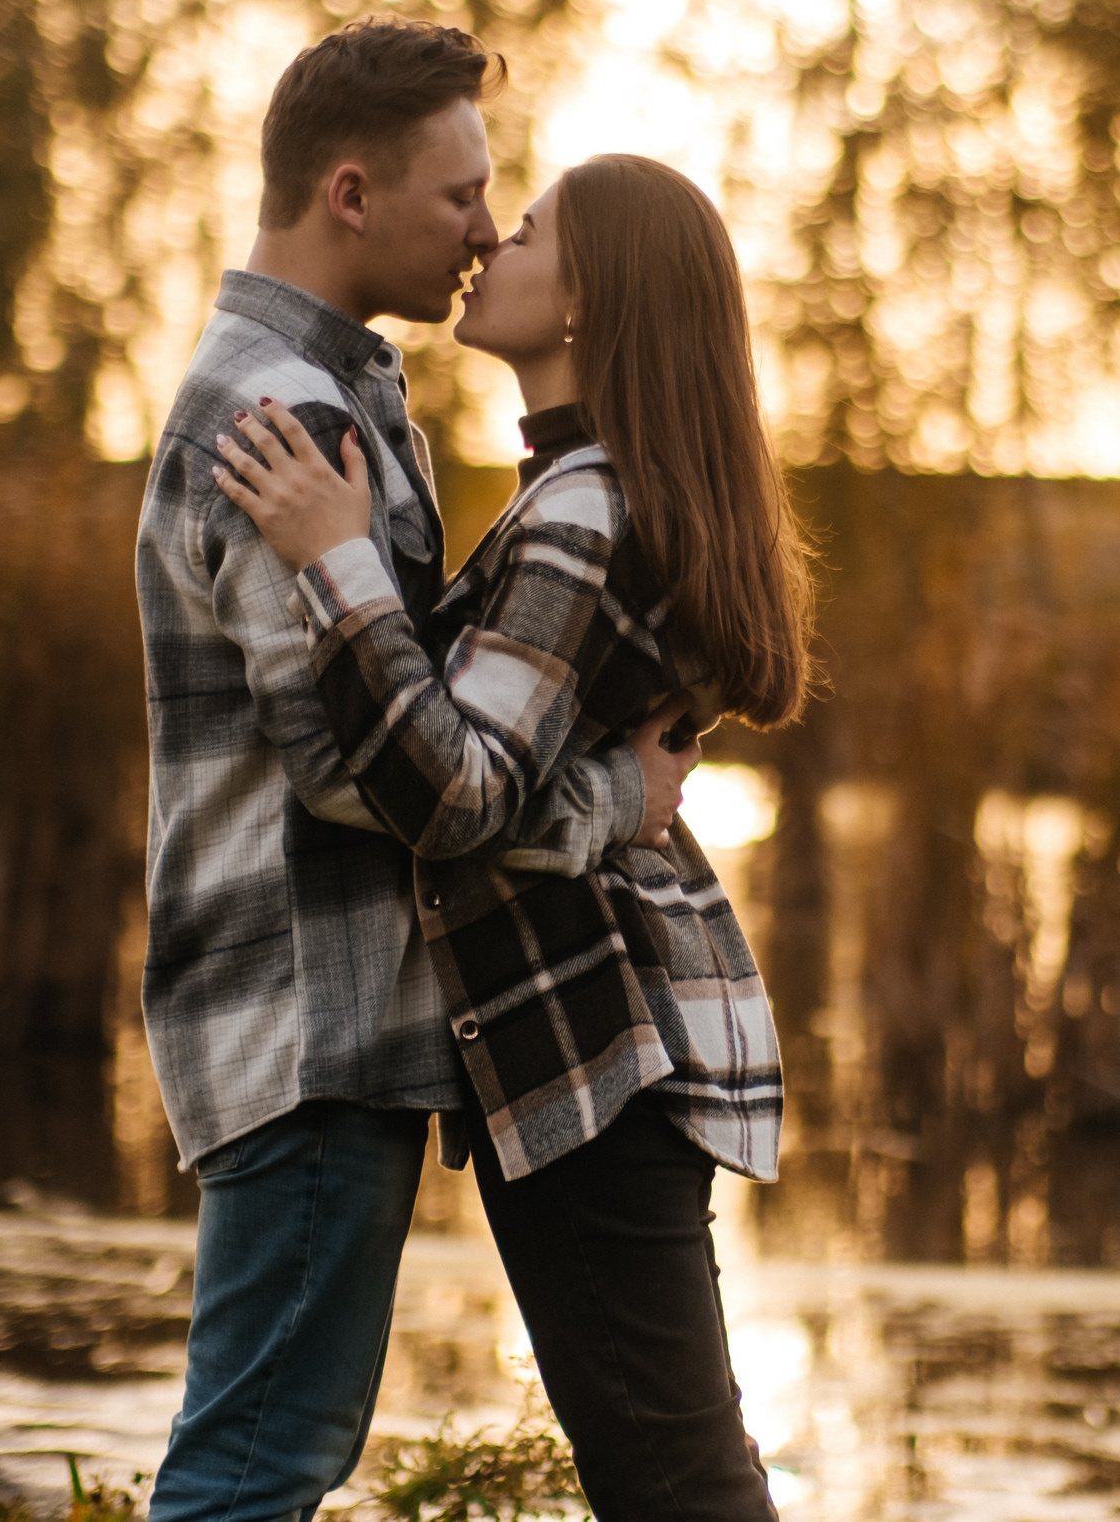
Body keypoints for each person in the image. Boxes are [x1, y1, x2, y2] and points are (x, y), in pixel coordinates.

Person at [133, 20, 702, 1522]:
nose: (482, 230)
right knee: (254, 1471)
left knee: (265, 1458)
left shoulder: (342, 397)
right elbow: (365, 769)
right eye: (463, 194)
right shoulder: (289, 417)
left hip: (315, 1013)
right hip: (311, 1010)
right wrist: (615, 805)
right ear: (350, 194)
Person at [210, 152, 815, 1521]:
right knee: (671, 1471)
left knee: (674, 1482)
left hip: (593, 1043)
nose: (492, 240)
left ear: (589, 300)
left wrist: (339, 560)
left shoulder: (586, 509)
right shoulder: (586, 491)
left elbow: (458, 795)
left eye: (527, 229)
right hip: (597, 1044)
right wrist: (611, 798)